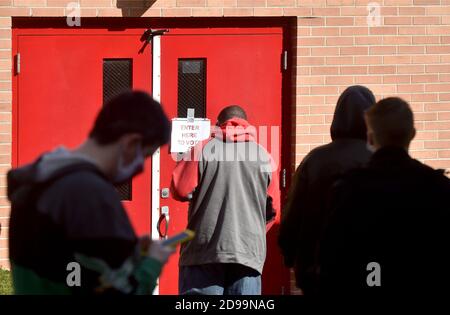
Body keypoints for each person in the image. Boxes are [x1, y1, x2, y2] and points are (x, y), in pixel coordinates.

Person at [8, 91, 174, 294]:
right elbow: (123, 291)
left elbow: (73, 263)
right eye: (146, 154)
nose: (142, 166)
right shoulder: (91, 194)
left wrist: (129, 252)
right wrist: (152, 263)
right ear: (131, 143)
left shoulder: (39, 180)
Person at [319, 97, 450, 295]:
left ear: (370, 138)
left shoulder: (348, 189)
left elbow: (332, 260)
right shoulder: (438, 187)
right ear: (412, 134)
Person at [171, 105, 279, 295]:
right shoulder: (264, 157)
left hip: (203, 252)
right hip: (248, 254)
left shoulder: (201, 149)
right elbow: (273, 210)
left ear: (218, 125)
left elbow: (180, 190)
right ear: (247, 126)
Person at [278, 85, 376, 295]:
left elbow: (293, 212)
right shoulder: (381, 159)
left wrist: (289, 253)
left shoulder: (315, 160)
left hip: (318, 270)